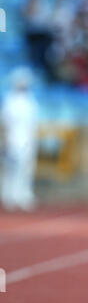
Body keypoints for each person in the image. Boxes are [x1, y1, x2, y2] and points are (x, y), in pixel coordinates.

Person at [1, 67, 39, 211]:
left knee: (27, 168)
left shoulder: (30, 100)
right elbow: (5, 122)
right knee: (12, 169)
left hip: (28, 138)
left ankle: (24, 195)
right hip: (13, 138)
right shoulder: (10, 100)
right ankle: (9, 196)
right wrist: (5, 140)